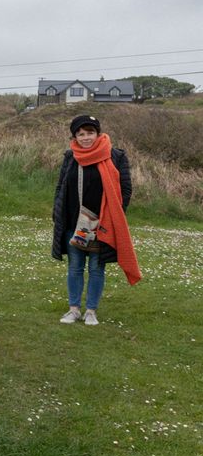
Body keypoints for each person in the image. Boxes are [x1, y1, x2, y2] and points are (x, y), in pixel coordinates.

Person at [52, 114, 141, 325]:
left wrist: (114, 216)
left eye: (90, 133)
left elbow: (125, 190)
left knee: (96, 268)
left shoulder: (115, 156)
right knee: (75, 267)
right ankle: (73, 309)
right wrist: (57, 213)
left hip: (102, 225)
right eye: (80, 134)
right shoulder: (70, 156)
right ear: (74, 137)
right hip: (73, 223)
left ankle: (91, 311)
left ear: (98, 134)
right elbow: (61, 187)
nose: (85, 137)